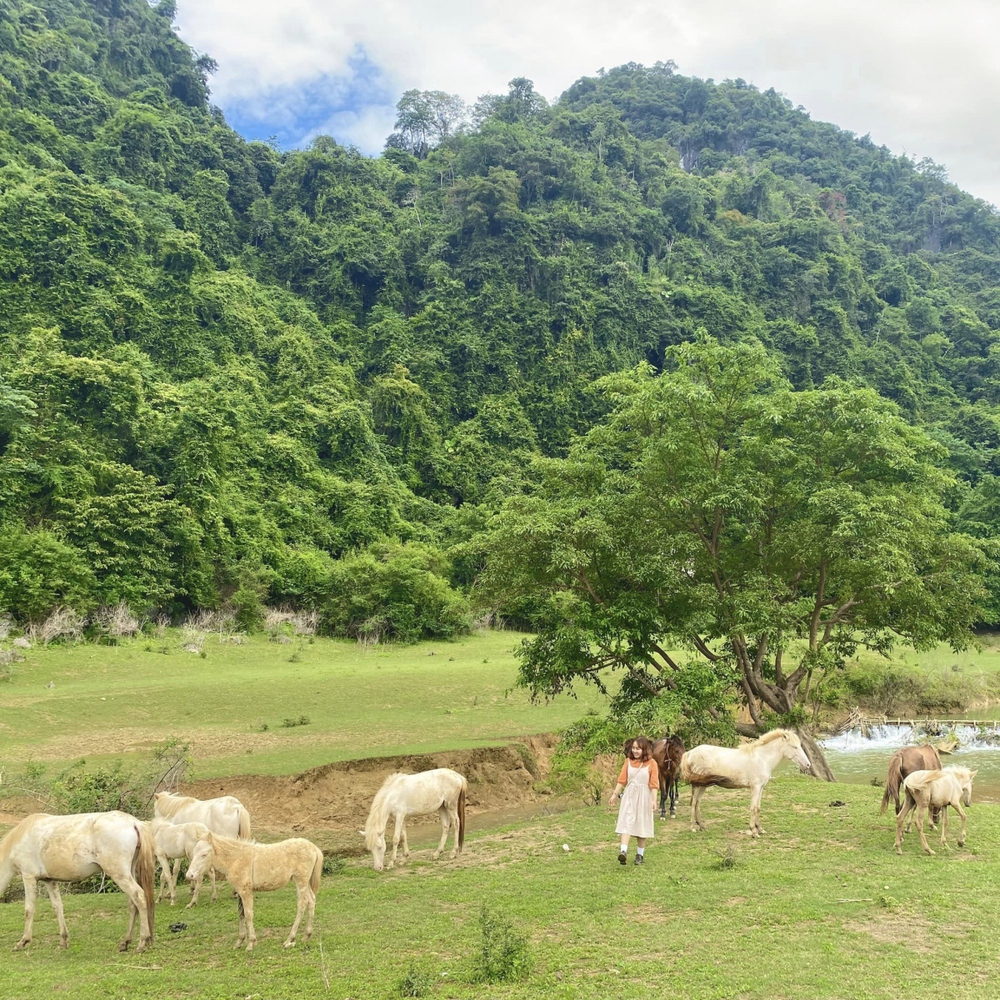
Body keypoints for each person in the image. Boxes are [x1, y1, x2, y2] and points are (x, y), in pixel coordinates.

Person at [608, 736, 659, 865]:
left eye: (639, 749)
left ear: (645, 749)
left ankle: (640, 855)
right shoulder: (628, 761)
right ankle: (623, 851)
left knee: (642, 824)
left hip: (644, 797)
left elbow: (653, 784)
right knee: (626, 821)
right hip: (629, 796)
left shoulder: (652, 763)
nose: (635, 751)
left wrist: (654, 800)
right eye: (634, 748)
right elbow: (622, 780)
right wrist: (614, 794)